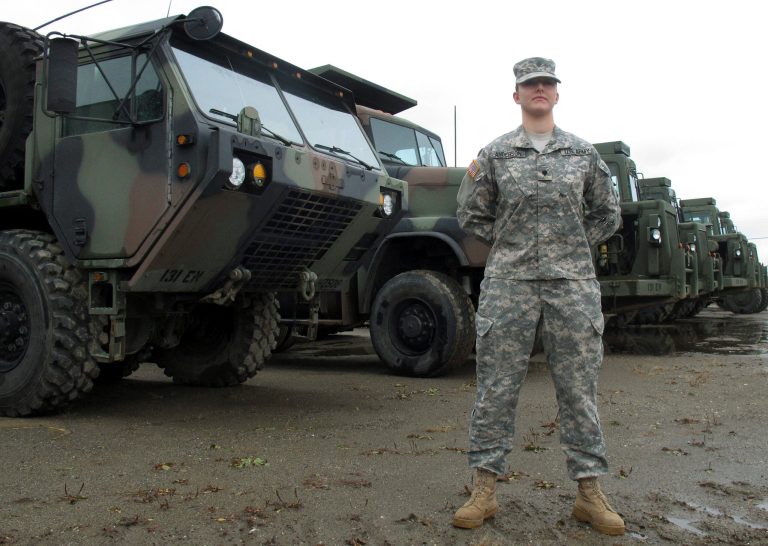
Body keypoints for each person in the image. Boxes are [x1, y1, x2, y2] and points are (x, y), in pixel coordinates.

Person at [453, 57, 624, 535]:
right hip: (510, 283)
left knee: (578, 390)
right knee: (496, 387)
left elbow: (607, 213)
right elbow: (470, 213)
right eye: (531, 84)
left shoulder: (583, 154)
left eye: (547, 83)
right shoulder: (494, 155)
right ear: (517, 95)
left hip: (572, 285)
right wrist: (514, 242)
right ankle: (483, 489)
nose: (540, 90)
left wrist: (567, 243)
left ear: (556, 93)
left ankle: (590, 494)